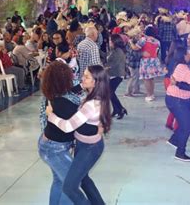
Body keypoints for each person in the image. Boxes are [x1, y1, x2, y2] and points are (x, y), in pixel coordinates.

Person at [46, 65, 112, 205]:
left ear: (96, 82)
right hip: (84, 145)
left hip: (90, 148)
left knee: (69, 187)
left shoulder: (92, 104)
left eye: (87, 77)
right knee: (84, 180)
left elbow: (67, 126)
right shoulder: (95, 92)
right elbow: (78, 87)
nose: (82, 78)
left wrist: (50, 115)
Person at [38, 61, 82, 205]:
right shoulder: (65, 103)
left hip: (49, 144)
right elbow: (70, 126)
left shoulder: (53, 95)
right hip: (54, 149)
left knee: (59, 180)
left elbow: (74, 91)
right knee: (70, 185)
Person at [131, 26, 164, 102]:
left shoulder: (144, 40)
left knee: (146, 79)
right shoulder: (157, 41)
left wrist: (130, 42)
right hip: (154, 60)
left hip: (146, 61)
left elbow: (135, 48)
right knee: (152, 79)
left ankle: (149, 95)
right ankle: (152, 94)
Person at [107, 34, 128, 119]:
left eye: (110, 41)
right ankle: (116, 109)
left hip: (117, 75)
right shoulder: (114, 50)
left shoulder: (118, 51)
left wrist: (105, 67)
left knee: (110, 92)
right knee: (110, 93)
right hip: (113, 74)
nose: (109, 42)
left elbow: (114, 64)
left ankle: (121, 109)